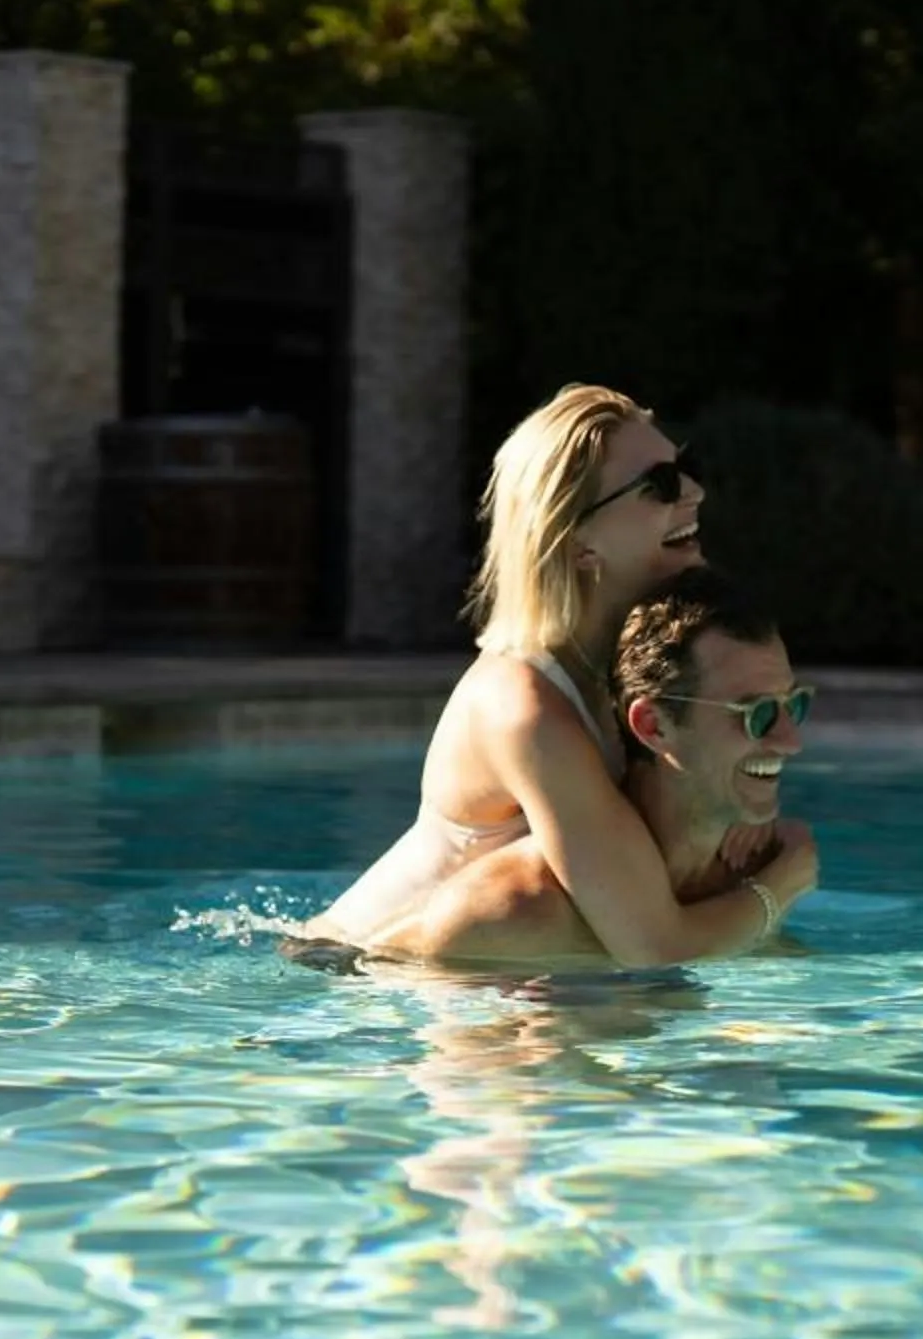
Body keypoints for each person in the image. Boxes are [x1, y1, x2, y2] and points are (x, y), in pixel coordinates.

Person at [303, 387, 816, 967]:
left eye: (686, 469)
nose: (695, 493)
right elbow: (653, 947)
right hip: (351, 978)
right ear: (577, 540)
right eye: (662, 485)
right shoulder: (522, 706)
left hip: (478, 976)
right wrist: (781, 884)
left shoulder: (633, 663)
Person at [329, 570, 816, 966]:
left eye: (792, 707)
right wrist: (772, 893)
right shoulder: (515, 914)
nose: (790, 741)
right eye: (756, 716)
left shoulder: (749, 871)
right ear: (654, 725)